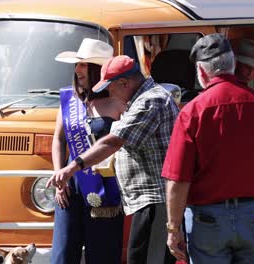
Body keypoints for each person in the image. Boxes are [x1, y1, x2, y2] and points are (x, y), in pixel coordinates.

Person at [162, 33, 254, 263]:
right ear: (233, 64)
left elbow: (178, 178)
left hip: (208, 220)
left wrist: (173, 227)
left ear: (201, 71)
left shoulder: (192, 111)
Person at [47, 55, 179, 264]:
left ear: (124, 83)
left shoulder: (150, 101)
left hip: (154, 199)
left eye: (111, 87)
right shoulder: (140, 100)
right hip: (147, 200)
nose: (109, 92)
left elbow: (113, 142)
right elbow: (61, 139)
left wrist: (73, 166)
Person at [49, 38, 125, 264]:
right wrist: (58, 175)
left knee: (103, 252)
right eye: (77, 65)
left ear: (97, 69)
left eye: (83, 65)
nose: (77, 70)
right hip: (70, 184)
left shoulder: (117, 102)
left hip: (106, 186)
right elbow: (58, 139)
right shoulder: (68, 100)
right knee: (63, 252)